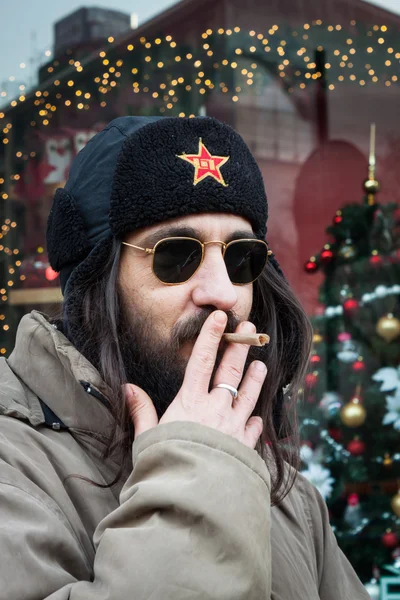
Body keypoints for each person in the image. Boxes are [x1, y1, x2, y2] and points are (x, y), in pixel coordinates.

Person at [0, 116, 369, 599]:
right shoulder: (15, 470)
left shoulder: (286, 492)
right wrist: (202, 473)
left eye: (241, 259)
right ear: (94, 286)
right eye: (175, 255)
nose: (224, 293)